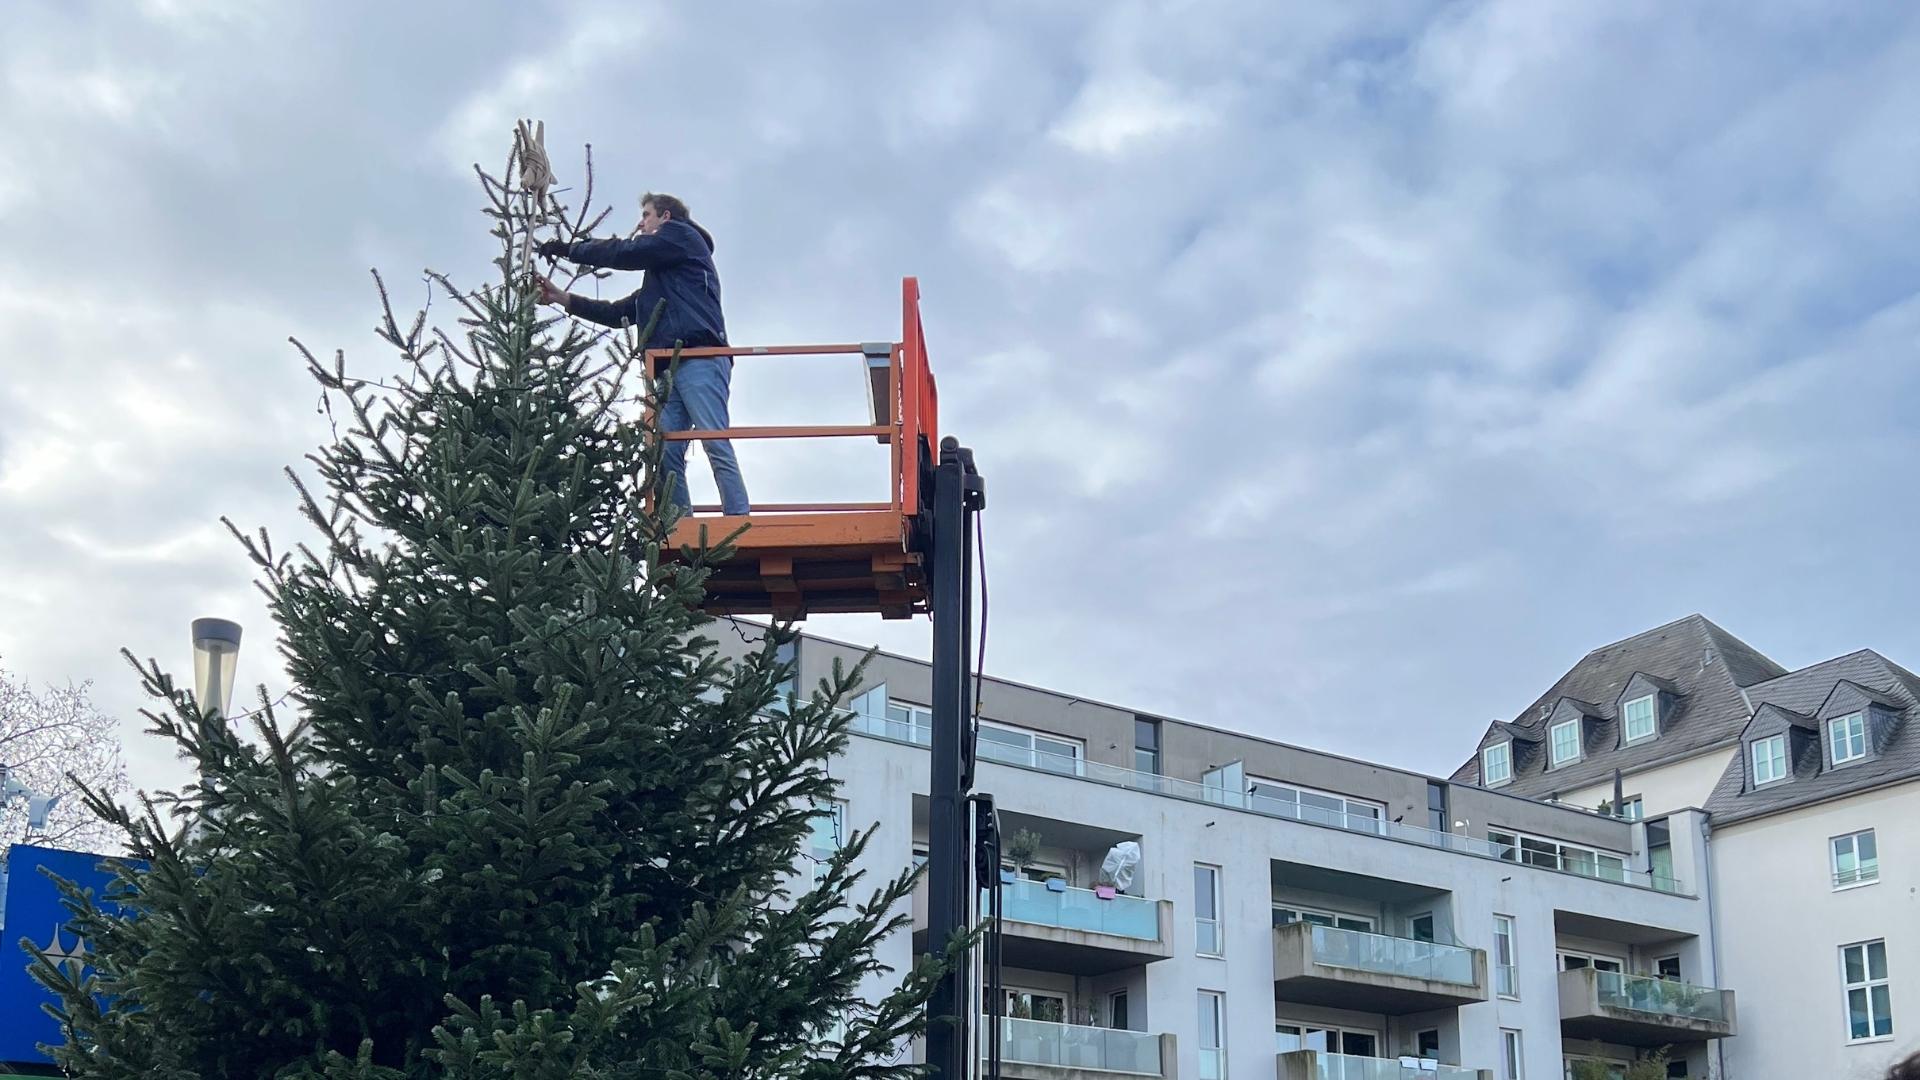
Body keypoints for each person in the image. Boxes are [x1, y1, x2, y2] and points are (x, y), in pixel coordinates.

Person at [536, 193, 750, 516]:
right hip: (666, 369)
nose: (640, 222)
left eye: (646, 215)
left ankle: (739, 521)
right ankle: (681, 528)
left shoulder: (682, 236)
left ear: (665, 217)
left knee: (714, 440)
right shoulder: (664, 277)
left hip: (700, 358)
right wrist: (562, 299)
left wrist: (571, 250)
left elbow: (627, 252)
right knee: (664, 452)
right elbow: (620, 311)